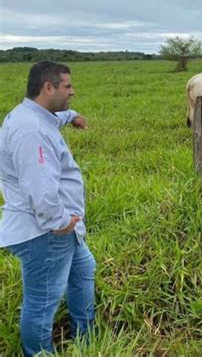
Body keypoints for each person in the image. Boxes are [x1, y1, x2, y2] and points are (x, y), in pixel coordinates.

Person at [0, 61, 96, 356]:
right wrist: (60, 221)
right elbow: (40, 189)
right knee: (42, 303)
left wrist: (73, 116)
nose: (73, 91)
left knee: (83, 270)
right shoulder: (32, 132)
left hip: (60, 229)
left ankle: (85, 341)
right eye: (68, 86)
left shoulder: (35, 115)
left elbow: (56, 117)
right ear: (48, 87)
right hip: (46, 231)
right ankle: (39, 352)